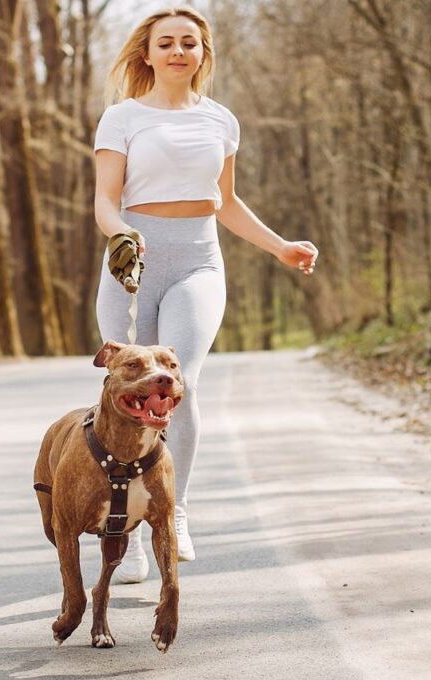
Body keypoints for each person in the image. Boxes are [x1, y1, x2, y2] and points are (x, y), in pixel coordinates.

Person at [93, 6, 318, 583]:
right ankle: (126, 528)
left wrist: (280, 247)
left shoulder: (221, 120)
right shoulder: (122, 117)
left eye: (189, 43)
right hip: (134, 262)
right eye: (166, 42)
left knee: (178, 384)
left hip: (199, 260)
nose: (178, 51)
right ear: (147, 54)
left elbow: (228, 203)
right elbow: (105, 200)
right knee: (130, 393)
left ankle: (173, 511)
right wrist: (122, 235)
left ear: (202, 53)